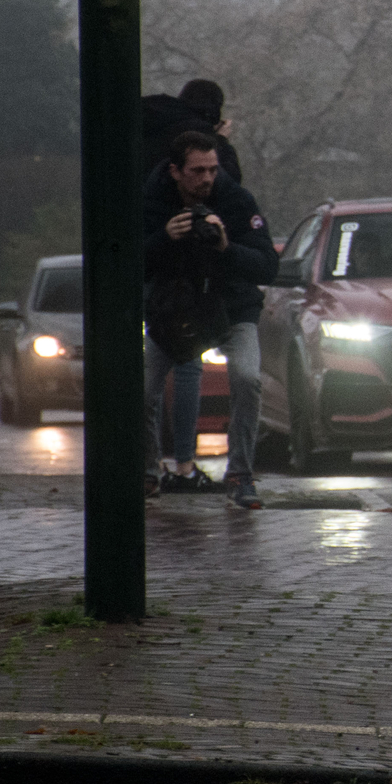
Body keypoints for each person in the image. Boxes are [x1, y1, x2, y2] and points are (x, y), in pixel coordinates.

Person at [142, 131, 277, 508]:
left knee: (247, 378)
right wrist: (164, 238)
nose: (206, 179)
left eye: (212, 170)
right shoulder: (153, 202)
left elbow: (267, 265)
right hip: (175, 312)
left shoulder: (235, 200)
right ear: (175, 172)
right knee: (141, 387)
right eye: (197, 171)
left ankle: (240, 473)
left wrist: (225, 247)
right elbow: (128, 258)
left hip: (232, 309)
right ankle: (149, 471)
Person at [140, 80, 243, 491]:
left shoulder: (149, 128)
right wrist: (218, 142)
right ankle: (183, 464)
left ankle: (148, 468)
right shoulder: (210, 150)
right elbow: (229, 192)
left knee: (148, 371)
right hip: (187, 267)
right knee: (187, 362)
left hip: (149, 260)